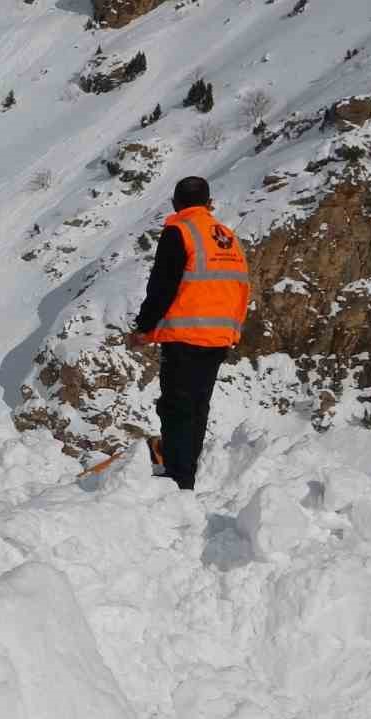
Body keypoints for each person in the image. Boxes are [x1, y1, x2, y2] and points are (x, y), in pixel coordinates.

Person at [127, 176, 252, 491]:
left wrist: (144, 329)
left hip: (185, 336)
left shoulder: (179, 231)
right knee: (197, 408)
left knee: (176, 407)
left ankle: (177, 479)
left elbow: (162, 285)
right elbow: (242, 287)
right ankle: (185, 476)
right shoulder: (228, 237)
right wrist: (232, 331)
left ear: (175, 204)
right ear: (210, 204)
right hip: (219, 337)